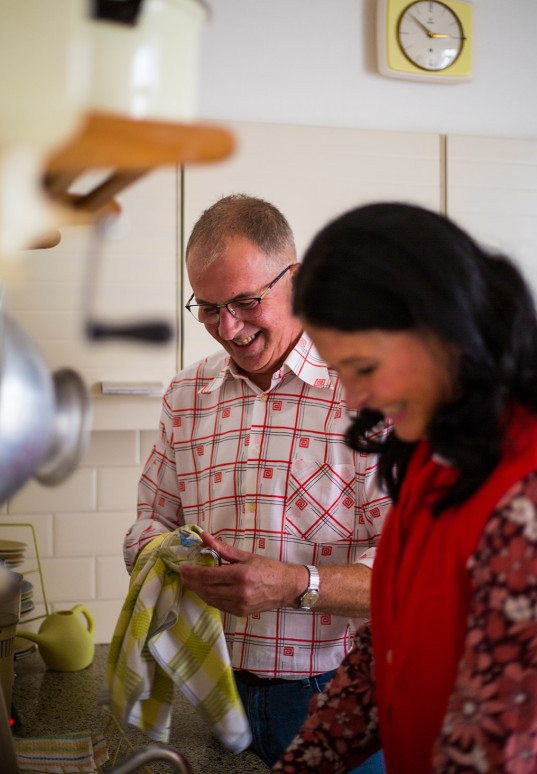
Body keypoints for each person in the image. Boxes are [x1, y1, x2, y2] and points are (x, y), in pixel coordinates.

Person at [273, 201, 537, 773]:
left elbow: (493, 745)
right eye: (339, 372)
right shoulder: (437, 447)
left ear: (440, 326)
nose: (353, 400)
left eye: (363, 367)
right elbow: (386, 646)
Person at [123, 194, 390, 771]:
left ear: (295, 279)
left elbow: (409, 574)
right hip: (214, 689)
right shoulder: (186, 395)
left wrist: (298, 583)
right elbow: (149, 522)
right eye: (209, 307)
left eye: (246, 302)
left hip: (338, 695)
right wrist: (165, 554)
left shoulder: (370, 392)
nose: (229, 328)